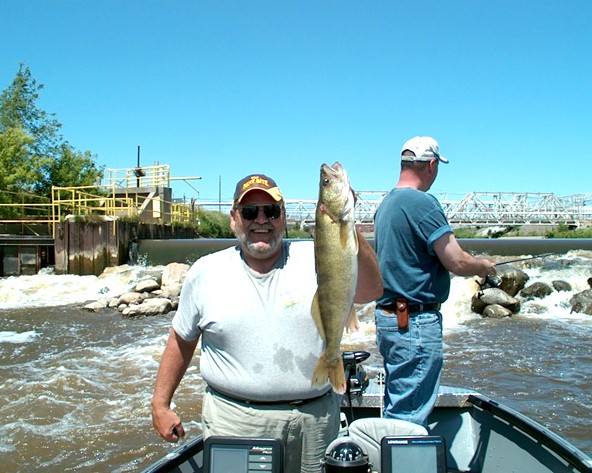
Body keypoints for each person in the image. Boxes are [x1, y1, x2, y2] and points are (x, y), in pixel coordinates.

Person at [151, 173, 382, 473]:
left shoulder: (315, 255)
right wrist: (161, 404)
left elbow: (371, 290)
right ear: (234, 219)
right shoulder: (205, 272)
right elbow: (181, 340)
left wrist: (345, 225)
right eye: (250, 212)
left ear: (283, 216)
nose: (261, 220)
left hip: (315, 422)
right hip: (234, 422)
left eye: (271, 211)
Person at [373, 136, 496, 427]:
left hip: (390, 319)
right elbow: (456, 261)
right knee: (408, 419)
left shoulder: (386, 204)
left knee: (398, 403)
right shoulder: (422, 203)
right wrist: (483, 266)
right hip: (414, 323)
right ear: (431, 165)